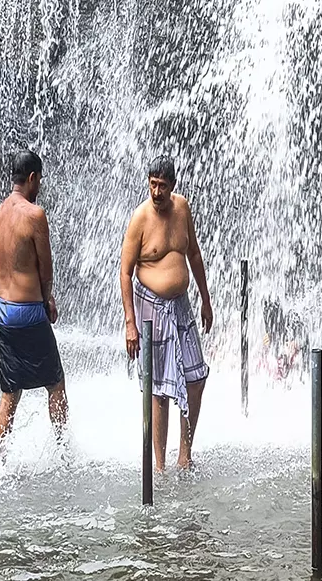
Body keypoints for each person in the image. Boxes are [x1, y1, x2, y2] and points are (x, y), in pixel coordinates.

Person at [119, 156, 213, 469]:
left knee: (195, 378)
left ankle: (184, 456)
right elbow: (125, 271)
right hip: (151, 307)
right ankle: (159, 465)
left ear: (173, 186)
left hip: (182, 305)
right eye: (152, 184)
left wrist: (206, 299)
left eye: (162, 186)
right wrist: (130, 324)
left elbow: (195, 254)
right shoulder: (140, 218)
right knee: (158, 390)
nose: (156, 192)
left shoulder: (182, 208)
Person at [0, 149, 68, 443]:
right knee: (56, 385)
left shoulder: (0, 211)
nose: (40, 188)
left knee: (10, 393)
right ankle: (62, 451)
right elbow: (45, 270)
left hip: (2, 310)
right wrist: (48, 300)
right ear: (32, 178)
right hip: (27, 312)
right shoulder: (35, 215)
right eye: (40, 181)